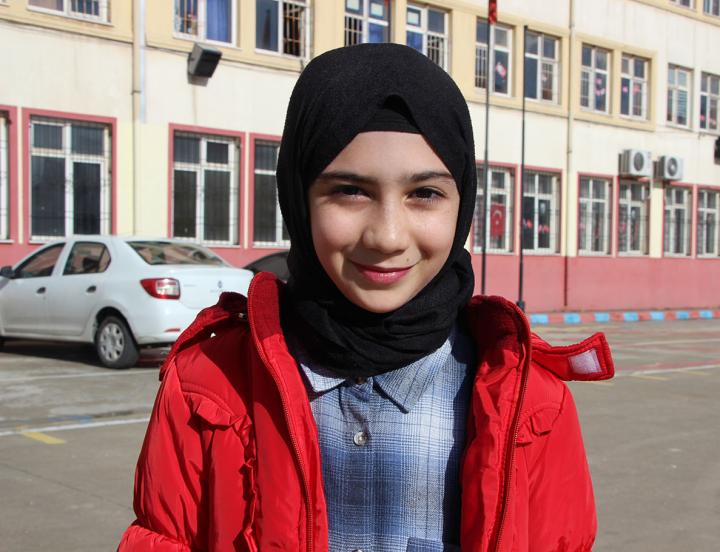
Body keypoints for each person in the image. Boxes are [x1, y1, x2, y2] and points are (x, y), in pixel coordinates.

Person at [119, 43, 614, 552]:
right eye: (350, 191)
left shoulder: (533, 404)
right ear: (298, 198)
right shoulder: (206, 387)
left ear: (462, 202)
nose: (387, 237)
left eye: (424, 194)